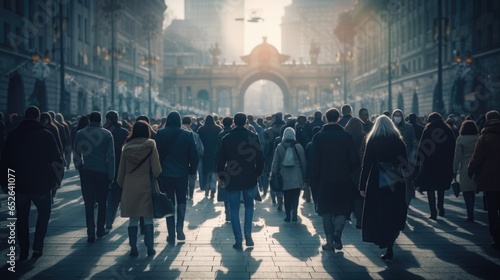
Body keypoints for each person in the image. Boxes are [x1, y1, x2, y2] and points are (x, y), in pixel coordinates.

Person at [0, 106, 63, 260]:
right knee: (44, 213)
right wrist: (57, 179)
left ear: (25, 116)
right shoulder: (46, 134)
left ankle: (23, 250)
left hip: (19, 184)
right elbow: (56, 159)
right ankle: (38, 246)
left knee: (22, 218)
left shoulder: (13, 135)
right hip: (41, 183)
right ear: (38, 117)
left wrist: (5, 182)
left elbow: (5, 162)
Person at [359, 115, 408, 260]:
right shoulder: (398, 141)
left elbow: (366, 165)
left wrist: (362, 185)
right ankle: (390, 243)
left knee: (379, 212)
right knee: (394, 211)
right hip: (396, 180)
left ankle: (382, 240)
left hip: (376, 181)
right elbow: (405, 164)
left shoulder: (372, 141)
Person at [217, 113, 264, 249]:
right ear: (246, 122)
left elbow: (220, 160)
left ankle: (238, 239)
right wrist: (257, 173)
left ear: (233, 122)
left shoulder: (227, 138)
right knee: (249, 205)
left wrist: (221, 176)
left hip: (232, 178)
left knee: (234, 209)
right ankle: (248, 233)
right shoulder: (253, 137)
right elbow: (260, 158)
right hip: (249, 177)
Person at [312, 108, 356, 251]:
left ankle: (329, 241)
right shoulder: (346, 136)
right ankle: (338, 233)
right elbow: (354, 160)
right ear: (339, 118)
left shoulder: (318, 137)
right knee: (342, 209)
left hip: (324, 180)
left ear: (326, 118)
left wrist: (315, 179)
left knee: (326, 210)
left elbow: (314, 161)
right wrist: (347, 171)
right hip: (343, 179)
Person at [117, 121, 161, 256]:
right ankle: (150, 247)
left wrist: (124, 185)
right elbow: (157, 170)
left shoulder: (126, 148)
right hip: (146, 185)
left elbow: (120, 174)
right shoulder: (151, 145)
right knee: (148, 218)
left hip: (130, 186)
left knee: (133, 219)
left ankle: (133, 247)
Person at [155, 111, 199, 244]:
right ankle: (180, 227)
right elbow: (194, 156)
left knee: (169, 202)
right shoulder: (187, 134)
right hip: (182, 174)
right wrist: (191, 171)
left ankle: (171, 233)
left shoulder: (160, 134)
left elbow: (156, 155)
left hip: (165, 174)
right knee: (181, 201)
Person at [73, 111, 115, 243]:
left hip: (87, 172)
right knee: (103, 203)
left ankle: (90, 231)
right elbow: (111, 156)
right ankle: (100, 230)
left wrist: (80, 167)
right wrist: (111, 176)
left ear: (90, 119)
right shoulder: (107, 134)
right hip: (102, 172)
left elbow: (77, 153)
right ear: (101, 120)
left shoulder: (80, 133)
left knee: (89, 203)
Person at [468, 110, 500, 249]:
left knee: (492, 210)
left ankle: (496, 237)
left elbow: (477, 158)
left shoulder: (485, 137)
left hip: (490, 179)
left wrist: (471, 169)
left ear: (487, 120)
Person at [415, 112, 455, 220]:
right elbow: (453, 147)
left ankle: (433, 212)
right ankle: (441, 207)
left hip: (430, 164)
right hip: (444, 164)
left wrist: (418, 160)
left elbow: (422, 146)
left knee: (430, 188)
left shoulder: (427, 130)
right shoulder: (448, 130)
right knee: (440, 186)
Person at [271, 127, 307, 222]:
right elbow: (303, 162)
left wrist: (273, 173)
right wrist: (304, 174)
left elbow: (275, 162)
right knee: (296, 195)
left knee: (287, 196)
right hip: (297, 173)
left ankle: (287, 215)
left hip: (284, 174)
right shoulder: (298, 146)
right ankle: (294, 213)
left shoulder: (279, 147)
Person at [104, 110, 129, 230]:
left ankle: (108, 220)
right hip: (117, 166)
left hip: (114, 166)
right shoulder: (123, 132)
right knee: (113, 195)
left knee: (112, 195)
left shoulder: (104, 132)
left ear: (109, 120)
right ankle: (109, 220)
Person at [453, 120, 479, 222]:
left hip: (465, 166)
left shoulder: (460, 139)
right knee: (472, 189)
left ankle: (470, 213)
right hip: (477, 164)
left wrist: (454, 170)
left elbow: (457, 156)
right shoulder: (478, 137)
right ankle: (472, 209)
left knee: (466, 190)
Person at [391, 109, 417, 207]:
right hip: (393, 161)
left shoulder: (409, 127)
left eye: (399, 115)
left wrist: (413, 157)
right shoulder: (390, 128)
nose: (397, 117)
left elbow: (414, 144)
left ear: (402, 116)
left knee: (407, 184)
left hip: (407, 160)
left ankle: (406, 204)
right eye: (395, 115)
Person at [344, 118, 367, 229]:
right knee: (359, 196)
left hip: (347, 169)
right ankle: (360, 220)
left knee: (349, 194)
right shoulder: (365, 136)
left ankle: (347, 215)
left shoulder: (345, 136)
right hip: (360, 169)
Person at [262, 113, 286, 202]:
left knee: (272, 177)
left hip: (271, 158)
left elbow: (266, 148)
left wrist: (265, 159)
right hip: (284, 157)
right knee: (283, 178)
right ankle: (281, 196)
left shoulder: (268, 131)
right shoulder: (286, 129)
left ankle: (273, 197)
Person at [198, 115, 222, 198]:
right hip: (215, 153)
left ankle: (206, 188)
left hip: (205, 153)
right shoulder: (218, 128)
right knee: (214, 172)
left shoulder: (201, 129)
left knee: (206, 172)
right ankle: (212, 188)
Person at [181, 116, 204, 200]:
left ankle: (185, 193)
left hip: (182, 159)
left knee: (184, 177)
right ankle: (190, 194)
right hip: (192, 159)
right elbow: (200, 148)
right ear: (190, 123)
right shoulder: (195, 135)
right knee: (192, 177)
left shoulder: (178, 133)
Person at [216, 116, 233, 221]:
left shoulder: (221, 134)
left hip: (224, 166)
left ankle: (227, 211)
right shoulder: (234, 133)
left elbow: (218, 152)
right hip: (234, 165)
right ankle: (232, 209)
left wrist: (218, 169)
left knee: (225, 188)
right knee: (233, 189)